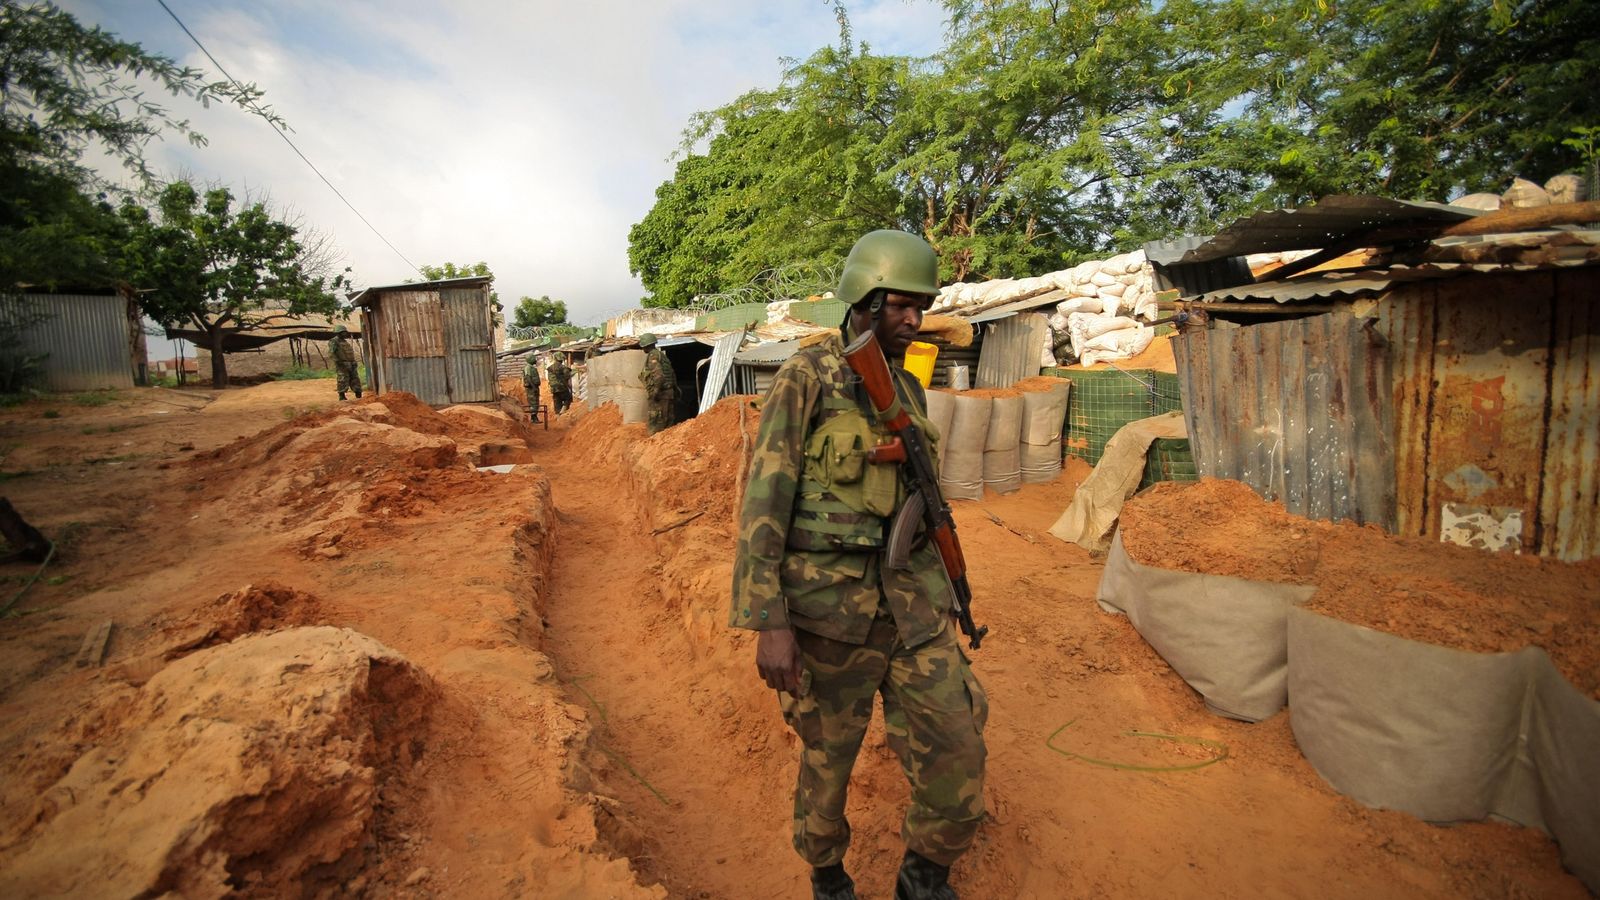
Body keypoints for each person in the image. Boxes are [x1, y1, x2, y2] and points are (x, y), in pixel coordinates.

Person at [730, 230, 986, 900]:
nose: (914, 320)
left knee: (957, 744)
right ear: (864, 300)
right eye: (901, 305)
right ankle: (827, 875)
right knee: (827, 765)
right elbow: (764, 501)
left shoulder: (907, 385)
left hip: (912, 609)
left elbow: (921, 501)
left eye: (919, 307)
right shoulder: (804, 377)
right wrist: (769, 621)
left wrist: (950, 595)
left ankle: (924, 873)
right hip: (828, 617)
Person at [637, 333, 677, 434]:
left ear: (646, 345)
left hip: (660, 395)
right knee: (668, 424)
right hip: (669, 393)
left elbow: (659, 376)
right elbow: (671, 373)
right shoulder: (662, 355)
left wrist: (655, 393)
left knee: (656, 426)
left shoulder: (653, 356)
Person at [329, 324, 362, 400]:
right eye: (343, 332)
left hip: (351, 363)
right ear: (339, 333)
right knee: (343, 379)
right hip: (342, 364)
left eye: (345, 332)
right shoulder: (334, 341)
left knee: (355, 379)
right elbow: (332, 353)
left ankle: (358, 394)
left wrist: (353, 362)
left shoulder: (344, 342)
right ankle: (342, 395)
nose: (345, 334)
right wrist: (339, 362)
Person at [522, 353, 542, 422]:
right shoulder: (528, 367)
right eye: (534, 359)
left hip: (534, 387)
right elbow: (528, 377)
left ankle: (534, 417)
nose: (535, 360)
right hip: (531, 388)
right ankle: (534, 418)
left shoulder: (531, 367)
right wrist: (533, 387)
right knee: (533, 402)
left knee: (536, 402)